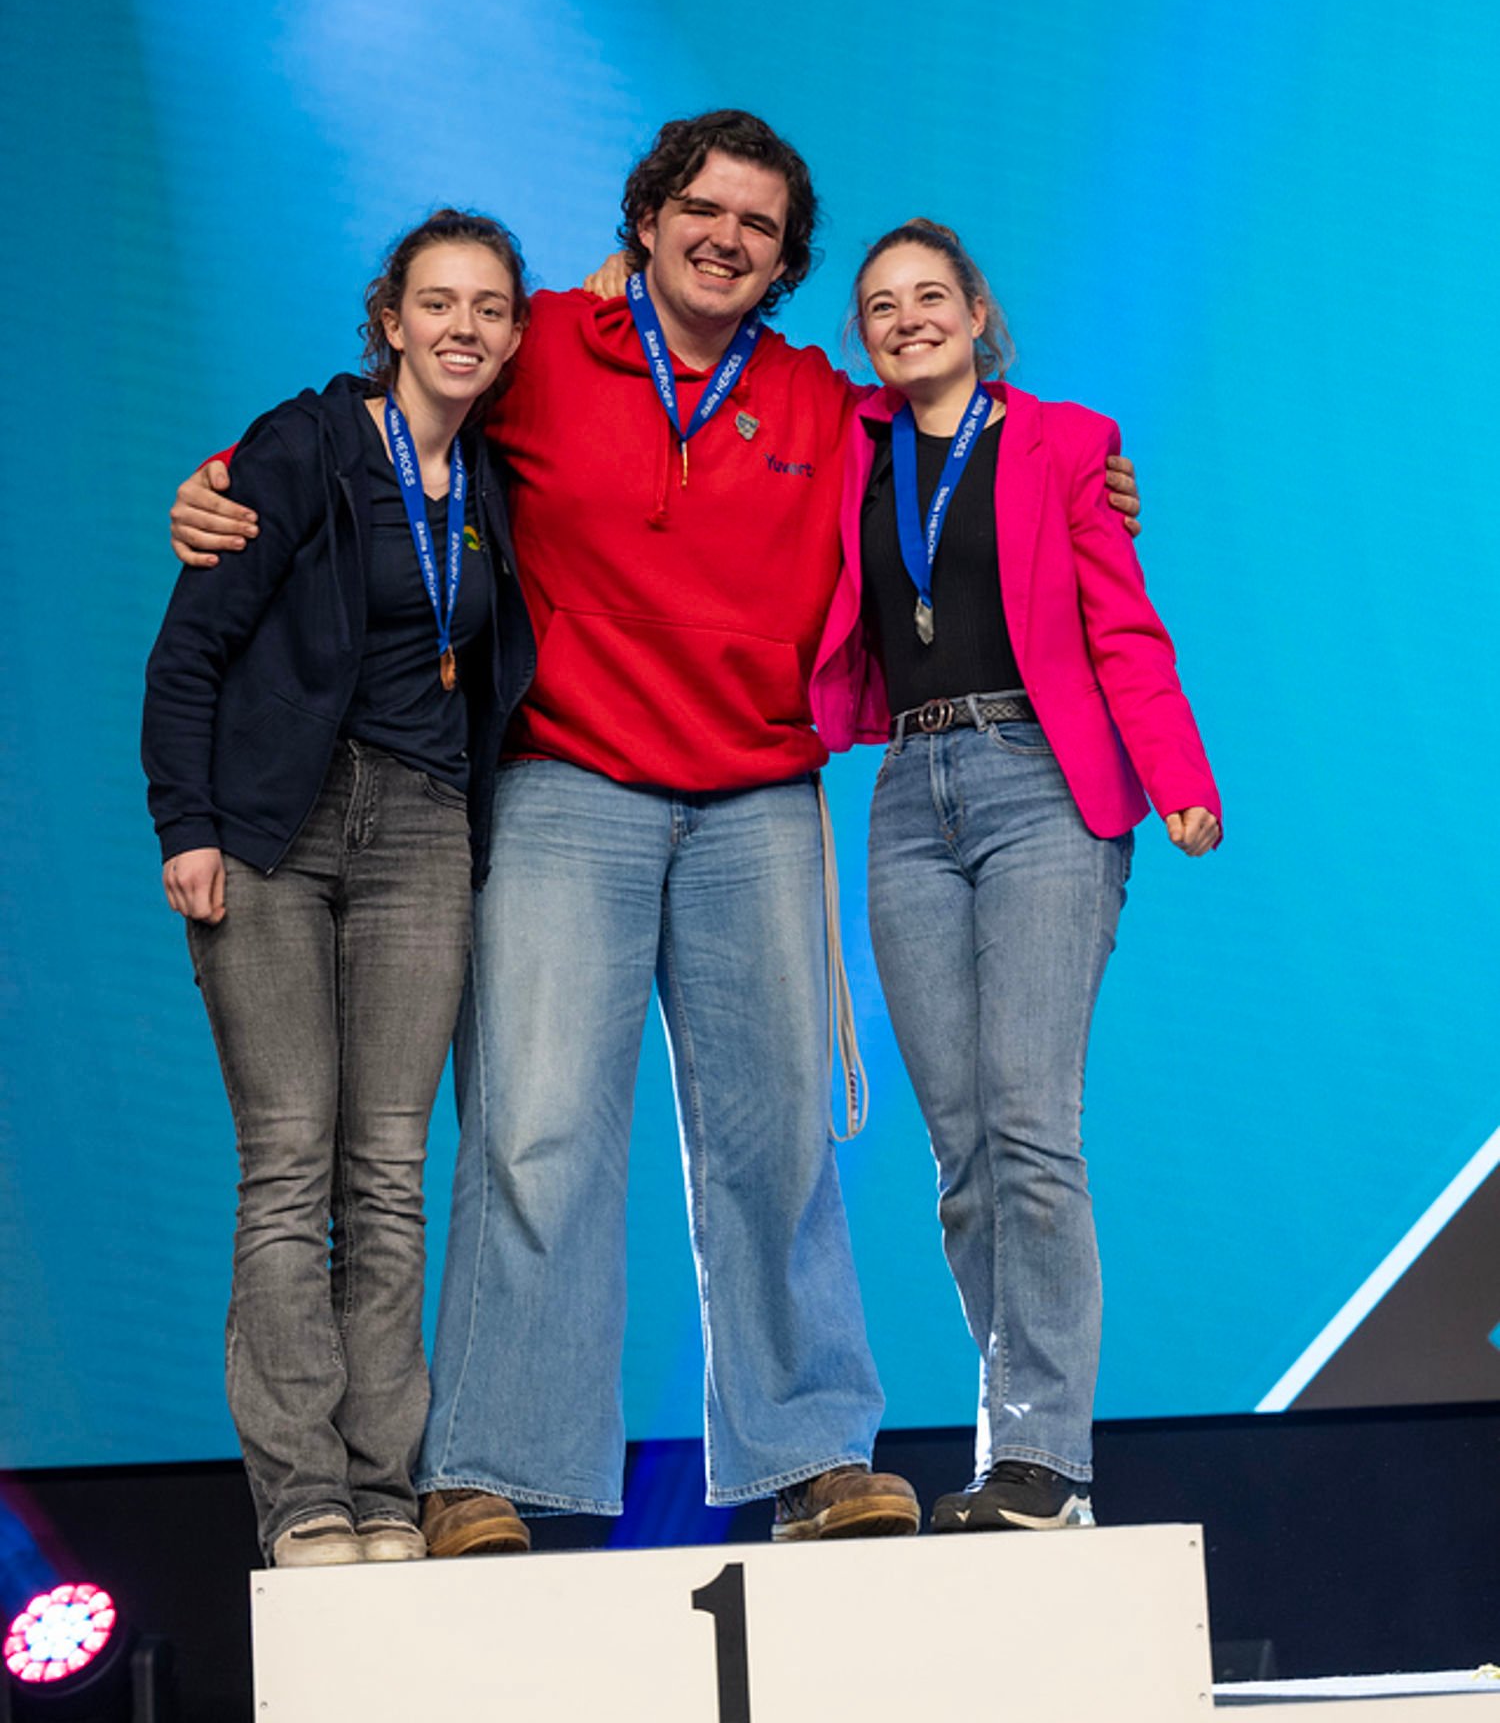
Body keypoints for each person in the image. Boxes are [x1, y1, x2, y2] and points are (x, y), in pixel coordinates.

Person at [167, 115, 1144, 1551]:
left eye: (760, 225)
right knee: (532, 1128)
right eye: (703, 208)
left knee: (778, 1141)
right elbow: (388, 418)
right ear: (646, 218)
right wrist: (223, 478)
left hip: (759, 797)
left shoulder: (819, 400)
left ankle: (812, 1453)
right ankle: (489, 1465)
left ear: (785, 262)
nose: (726, 238)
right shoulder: (546, 346)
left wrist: (1088, 478)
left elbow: (964, 442)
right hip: (570, 782)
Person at [810, 219, 1220, 1533]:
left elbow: (1123, 627)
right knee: (964, 1154)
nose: (908, 318)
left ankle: (1043, 1458)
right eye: (882, 304)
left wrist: (1179, 775)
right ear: (863, 335)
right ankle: (1024, 1453)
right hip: (906, 796)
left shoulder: (1068, 444)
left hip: (1041, 782)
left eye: (932, 295)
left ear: (979, 314)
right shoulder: (847, 446)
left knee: (1031, 1125)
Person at [143, 210, 534, 1566]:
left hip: (422, 835)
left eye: (490, 307)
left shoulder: (490, 485)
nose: (463, 327)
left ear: (515, 335)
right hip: (273, 832)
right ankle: (303, 1493)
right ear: (389, 321)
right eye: (438, 302)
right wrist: (186, 824)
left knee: (387, 1178)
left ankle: (382, 1489)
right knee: (287, 1168)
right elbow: (190, 649)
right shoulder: (303, 446)